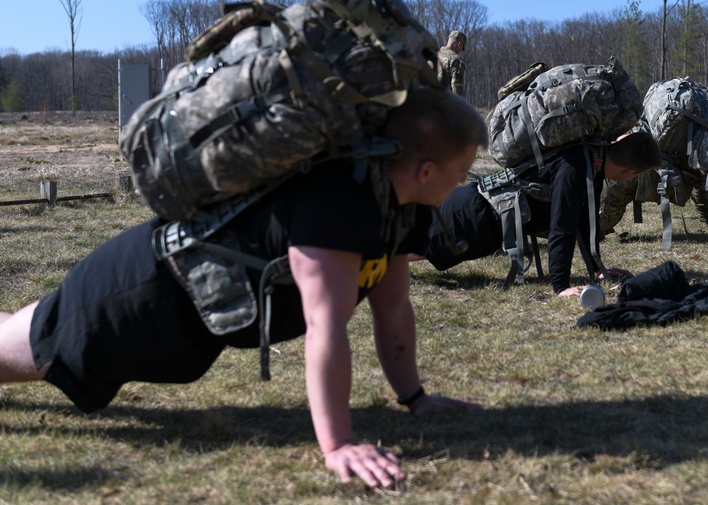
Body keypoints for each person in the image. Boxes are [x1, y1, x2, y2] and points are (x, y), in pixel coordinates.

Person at [0, 87, 489, 489]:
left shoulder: (404, 205)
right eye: (463, 169)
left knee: (21, 331)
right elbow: (325, 325)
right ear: (426, 170)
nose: (466, 180)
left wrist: (416, 398)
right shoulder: (344, 202)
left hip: (184, 316)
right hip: (142, 298)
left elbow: (394, 306)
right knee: (17, 354)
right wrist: (338, 445)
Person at [420, 131, 660, 298]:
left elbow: (586, 222)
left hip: (485, 216)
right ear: (629, 172)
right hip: (475, 216)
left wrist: (597, 269)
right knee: (408, 248)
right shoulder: (576, 168)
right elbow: (562, 228)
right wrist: (560, 286)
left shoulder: (592, 161)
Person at [437, 30, 467, 95]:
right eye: (462, 48)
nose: (460, 51)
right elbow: (457, 89)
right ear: (459, 44)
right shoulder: (455, 59)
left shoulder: (434, 54)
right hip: (443, 101)